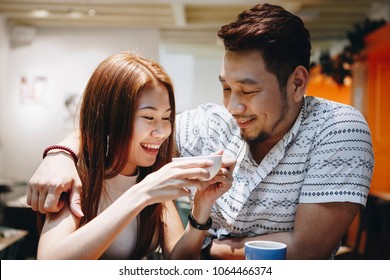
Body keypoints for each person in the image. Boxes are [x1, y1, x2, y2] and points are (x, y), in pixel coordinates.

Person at [28, 3, 374, 259]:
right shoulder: (208, 125)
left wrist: (214, 248)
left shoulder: (337, 129)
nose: (233, 107)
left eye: (249, 92)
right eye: (226, 88)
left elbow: (305, 253)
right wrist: (60, 153)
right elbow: (121, 132)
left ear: (297, 82)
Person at [32, 50, 234, 260]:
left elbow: (179, 263)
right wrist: (142, 193)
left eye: (166, 118)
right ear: (111, 117)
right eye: (148, 117)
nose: (163, 131)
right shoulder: (78, 180)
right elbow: (49, 264)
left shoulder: (151, 177)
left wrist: (202, 207)